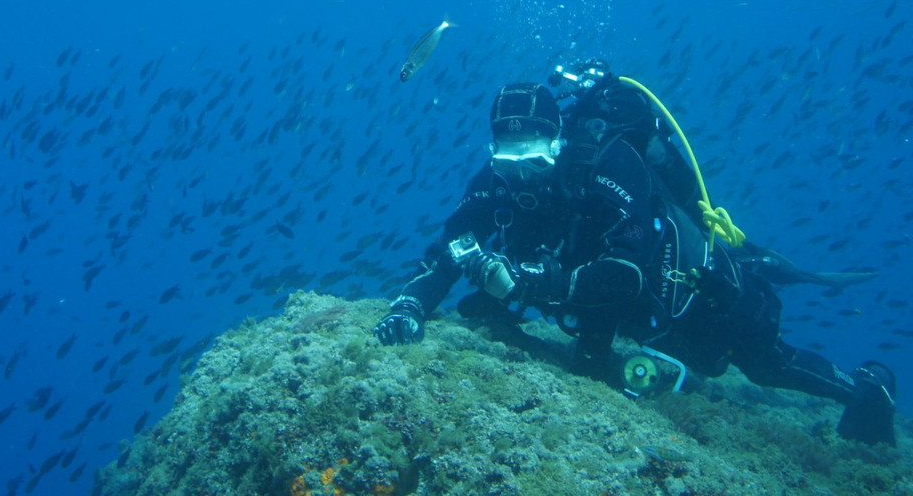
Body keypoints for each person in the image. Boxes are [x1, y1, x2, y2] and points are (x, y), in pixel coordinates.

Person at [374, 62, 897, 446]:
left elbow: (626, 272)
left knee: (759, 363)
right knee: (584, 363)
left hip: (678, 284)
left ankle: (871, 386)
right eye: (508, 159)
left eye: (533, 157)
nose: (521, 174)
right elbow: (448, 249)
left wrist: (531, 282)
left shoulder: (609, 164)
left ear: (557, 143)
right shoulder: (495, 181)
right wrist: (409, 306)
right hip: (597, 308)